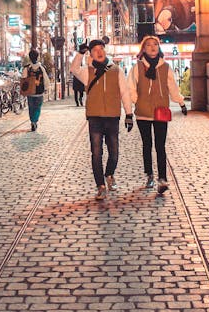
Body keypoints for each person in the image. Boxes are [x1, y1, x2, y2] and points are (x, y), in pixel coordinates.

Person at [70, 39, 133, 200]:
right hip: (95, 117)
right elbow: (74, 69)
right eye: (95, 50)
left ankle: (109, 174)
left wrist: (129, 114)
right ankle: (100, 185)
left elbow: (125, 92)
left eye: (101, 49)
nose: (99, 52)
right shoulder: (87, 72)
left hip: (112, 116)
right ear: (91, 54)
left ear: (105, 51)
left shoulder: (116, 70)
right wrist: (80, 53)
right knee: (96, 153)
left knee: (114, 152)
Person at [128, 35, 187, 195]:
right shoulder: (137, 67)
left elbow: (172, 88)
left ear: (159, 48)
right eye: (148, 45)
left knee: (160, 146)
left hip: (160, 110)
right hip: (143, 113)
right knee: (147, 145)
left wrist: (180, 102)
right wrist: (136, 101)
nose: (152, 47)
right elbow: (131, 87)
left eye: (155, 44)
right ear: (143, 49)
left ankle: (162, 178)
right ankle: (149, 175)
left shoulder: (165, 67)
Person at [21, 49, 50, 131]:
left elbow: (23, 79)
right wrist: (47, 88)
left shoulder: (27, 68)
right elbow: (45, 79)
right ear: (37, 57)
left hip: (30, 92)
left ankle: (32, 121)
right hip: (39, 91)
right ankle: (35, 121)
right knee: (37, 107)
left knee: (31, 107)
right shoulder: (41, 67)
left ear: (29, 57)